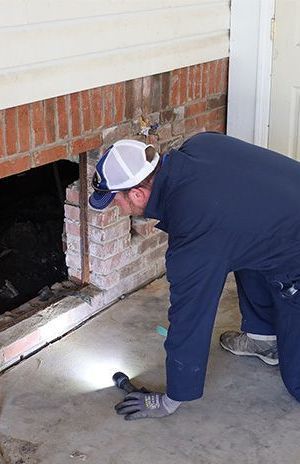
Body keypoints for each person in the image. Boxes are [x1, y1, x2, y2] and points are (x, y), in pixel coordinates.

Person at [89, 133, 300, 420]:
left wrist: (171, 398)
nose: (117, 208)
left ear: (137, 194)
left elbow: (191, 318)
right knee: (244, 244)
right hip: (286, 228)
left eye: (116, 201)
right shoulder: (202, 144)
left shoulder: (194, 234)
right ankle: (263, 339)